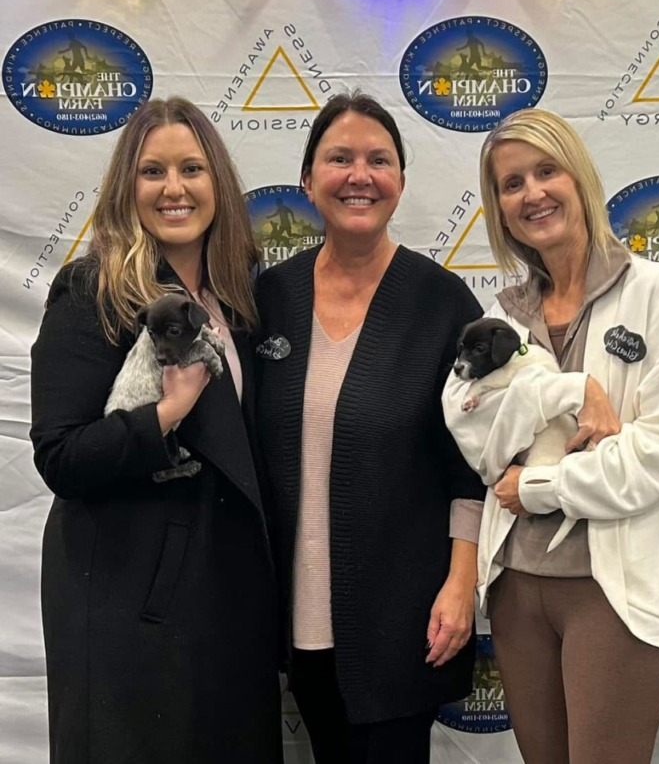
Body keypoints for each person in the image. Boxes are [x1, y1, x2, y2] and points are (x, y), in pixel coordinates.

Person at [442, 108, 659, 764]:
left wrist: (537, 485)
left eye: (545, 171)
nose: (532, 193)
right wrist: (566, 394)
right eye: (511, 183)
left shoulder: (653, 290)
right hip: (516, 586)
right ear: (498, 207)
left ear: (578, 177)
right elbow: (477, 437)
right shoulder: (502, 314)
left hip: (612, 588)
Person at [30, 98, 280, 764]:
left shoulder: (237, 301)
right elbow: (61, 455)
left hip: (224, 600)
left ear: (217, 184)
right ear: (127, 188)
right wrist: (164, 416)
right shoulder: (93, 291)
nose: (175, 188)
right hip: (126, 597)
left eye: (192, 168)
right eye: (153, 172)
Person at [255, 91, 485, 764]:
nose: (360, 175)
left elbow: (470, 462)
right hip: (297, 619)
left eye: (379, 160)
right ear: (308, 181)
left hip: (403, 616)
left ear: (401, 183)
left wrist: (459, 583)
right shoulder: (271, 299)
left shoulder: (442, 302)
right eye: (339, 158)